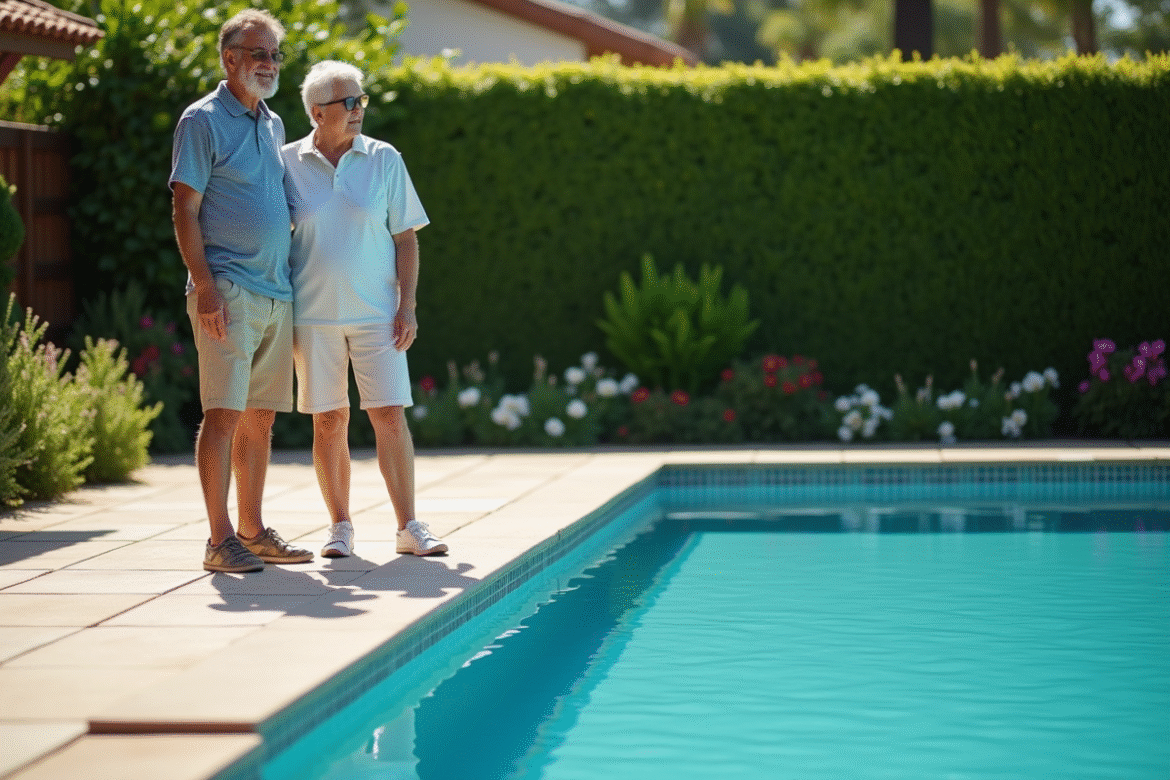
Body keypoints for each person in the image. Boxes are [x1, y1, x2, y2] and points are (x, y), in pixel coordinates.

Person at [282, 60, 447, 558]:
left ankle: (408, 527)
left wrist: (408, 305)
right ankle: (340, 527)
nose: (358, 110)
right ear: (316, 112)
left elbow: (406, 238)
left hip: (379, 314)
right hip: (311, 316)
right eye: (347, 102)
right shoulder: (285, 162)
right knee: (328, 422)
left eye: (361, 100)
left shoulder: (385, 159)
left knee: (389, 415)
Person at [171, 8, 313, 573]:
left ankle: (252, 531)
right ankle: (218, 539)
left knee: (260, 417)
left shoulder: (273, 122)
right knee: (223, 414)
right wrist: (204, 284)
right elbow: (184, 206)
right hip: (226, 288)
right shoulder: (202, 121)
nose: (270, 63)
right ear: (230, 60)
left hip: (275, 291)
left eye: (275, 54)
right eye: (259, 54)